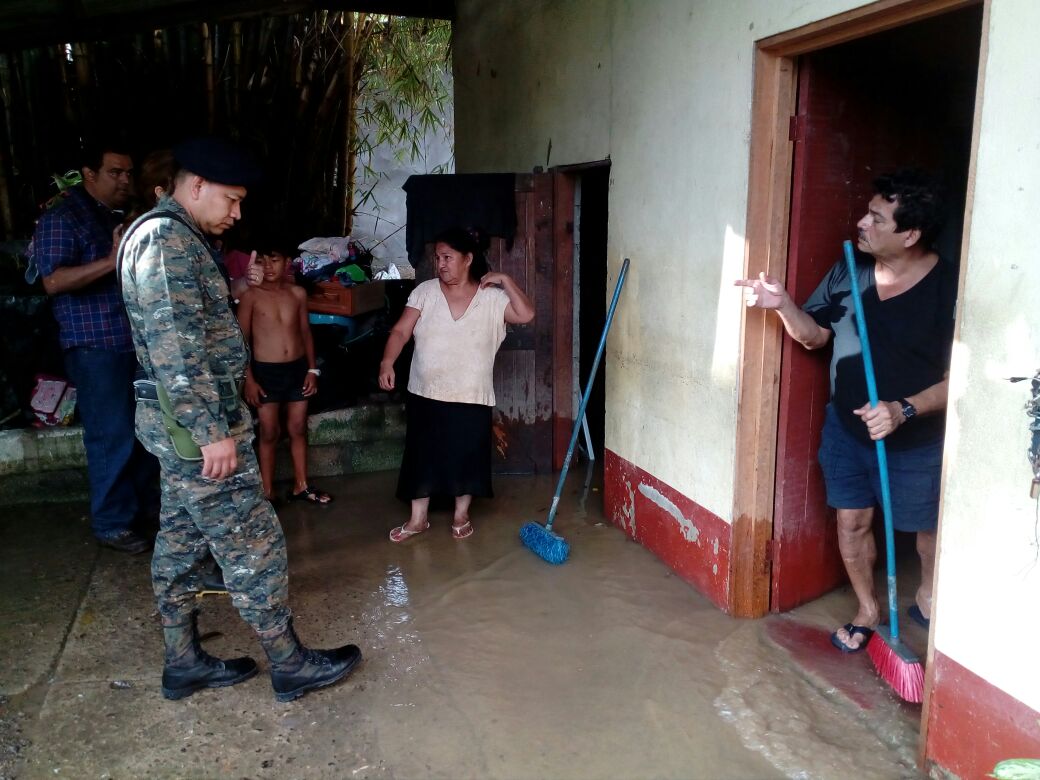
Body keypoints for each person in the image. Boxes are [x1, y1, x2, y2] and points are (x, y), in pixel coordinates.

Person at [119, 136, 361, 701]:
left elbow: (186, 322)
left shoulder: (172, 236)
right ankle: (289, 661)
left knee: (179, 543)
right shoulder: (165, 241)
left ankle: (183, 661)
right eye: (231, 200)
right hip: (197, 433)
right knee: (253, 541)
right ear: (196, 185)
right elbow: (174, 348)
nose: (237, 213)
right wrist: (211, 434)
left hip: (180, 432)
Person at [735, 169, 955, 652]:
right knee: (851, 522)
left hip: (915, 437)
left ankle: (927, 597)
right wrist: (782, 304)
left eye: (876, 218)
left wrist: (904, 410)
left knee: (926, 534)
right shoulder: (849, 269)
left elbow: (962, 379)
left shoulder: (949, 287)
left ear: (910, 234)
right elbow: (815, 336)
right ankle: (868, 610)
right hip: (846, 431)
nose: (861, 223)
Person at [33, 138, 159, 554]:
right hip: (93, 344)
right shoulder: (63, 217)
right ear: (89, 174)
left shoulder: (120, 215)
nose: (125, 180)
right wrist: (112, 258)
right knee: (112, 434)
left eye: (128, 172)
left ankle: (142, 512)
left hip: (133, 341)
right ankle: (111, 522)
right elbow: (53, 281)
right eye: (115, 172)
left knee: (144, 432)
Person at [378, 226, 535, 542]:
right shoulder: (425, 292)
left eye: (448, 257)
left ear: (468, 259)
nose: (441, 264)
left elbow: (526, 314)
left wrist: (506, 280)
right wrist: (387, 361)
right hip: (425, 390)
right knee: (421, 455)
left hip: (470, 393)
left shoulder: (492, 299)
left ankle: (460, 514)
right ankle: (417, 519)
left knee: (467, 455)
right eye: (438, 258)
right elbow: (400, 331)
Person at [238, 241, 331, 504]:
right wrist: (249, 379)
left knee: (298, 427)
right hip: (265, 372)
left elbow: (305, 332)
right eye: (262, 261)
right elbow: (241, 341)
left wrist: (312, 369)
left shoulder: (297, 294)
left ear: (287, 262)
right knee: (269, 431)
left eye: (274, 260)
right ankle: (266, 490)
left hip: (297, 369)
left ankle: (301, 485)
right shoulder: (250, 296)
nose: (268, 267)